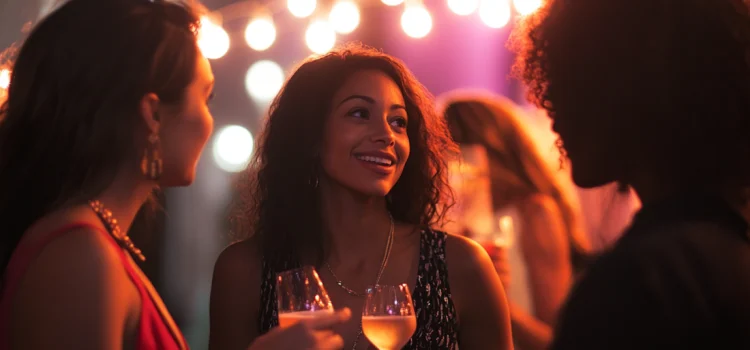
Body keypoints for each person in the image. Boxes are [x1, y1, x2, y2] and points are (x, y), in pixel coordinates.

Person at [0, 0, 348, 349]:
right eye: (205, 98)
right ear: (153, 114)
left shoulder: (92, 241)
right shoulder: (78, 257)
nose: (208, 122)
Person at [210, 44, 513, 350]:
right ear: (310, 136)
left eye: (398, 122)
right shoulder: (245, 271)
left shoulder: (461, 265)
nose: (386, 134)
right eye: (359, 113)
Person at [512, 0, 750, 348]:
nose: (555, 117)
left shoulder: (636, 285)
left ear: (627, 95)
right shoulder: (725, 251)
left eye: (571, 88)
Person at [441, 92, 591, 350]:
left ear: (491, 152)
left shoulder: (534, 212)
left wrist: (498, 302)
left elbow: (555, 340)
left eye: (457, 154)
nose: (448, 169)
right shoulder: (446, 222)